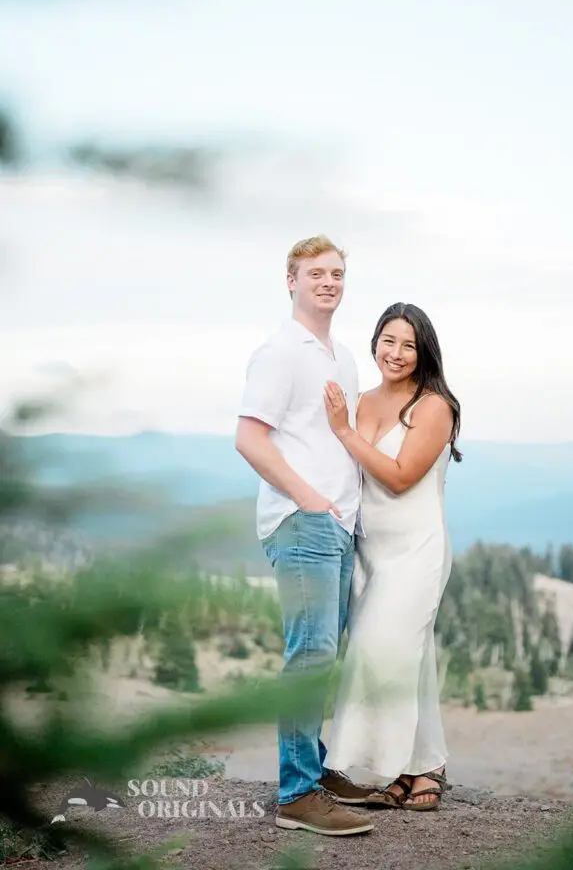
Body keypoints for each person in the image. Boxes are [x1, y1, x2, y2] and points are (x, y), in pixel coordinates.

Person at [235, 235, 375, 836]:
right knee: (309, 655)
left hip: (338, 524)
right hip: (303, 522)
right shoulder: (279, 353)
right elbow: (249, 438)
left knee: (323, 653)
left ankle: (313, 770)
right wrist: (309, 498)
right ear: (291, 281)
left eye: (337, 274)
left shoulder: (341, 356)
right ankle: (296, 795)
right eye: (316, 273)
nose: (328, 282)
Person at [321, 301, 462, 811]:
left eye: (409, 345)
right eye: (388, 341)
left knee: (383, 651)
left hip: (416, 548)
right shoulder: (361, 401)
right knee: (411, 658)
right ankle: (420, 767)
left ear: (424, 352)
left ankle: (399, 765)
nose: (396, 353)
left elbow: (400, 477)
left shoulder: (433, 406)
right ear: (375, 342)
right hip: (368, 549)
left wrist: (343, 431)